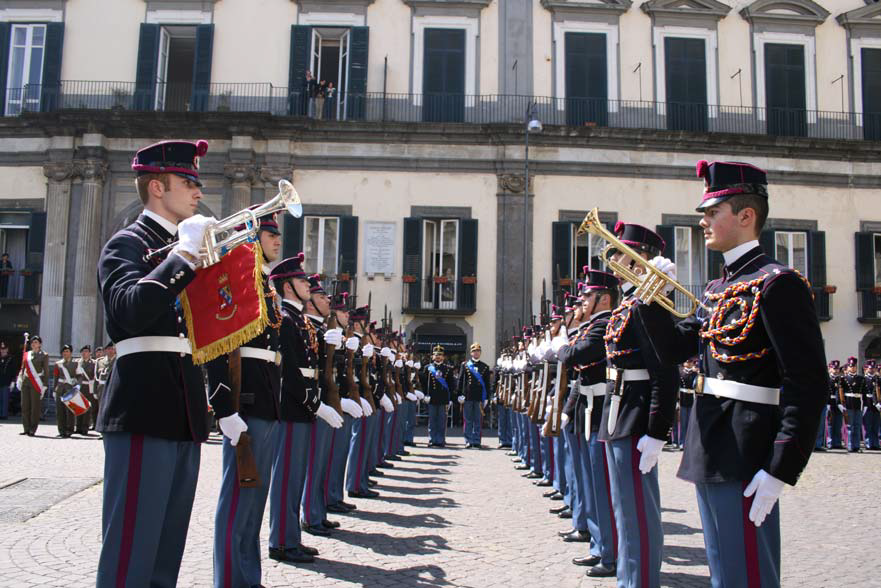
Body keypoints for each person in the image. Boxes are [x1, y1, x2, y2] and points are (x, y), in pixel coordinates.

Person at [644, 159, 827, 588]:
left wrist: (782, 466)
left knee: (746, 572)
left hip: (748, 445)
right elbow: (673, 349)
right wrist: (650, 297)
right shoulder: (716, 289)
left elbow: (808, 381)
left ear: (746, 216)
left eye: (713, 212)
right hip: (709, 438)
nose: (703, 221)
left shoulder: (777, 283)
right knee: (725, 568)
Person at [95, 139, 215, 588]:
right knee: (132, 548)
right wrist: (182, 258)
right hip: (143, 405)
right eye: (189, 182)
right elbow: (127, 308)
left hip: (184, 409)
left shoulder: (187, 247)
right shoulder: (127, 242)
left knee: (167, 548)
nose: (197, 192)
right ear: (158, 187)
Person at [206, 212, 284, 588]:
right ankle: (229, 579)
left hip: (266, 401)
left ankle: (246, 576)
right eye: (269, 234)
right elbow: (221, 344)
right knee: (238, 500)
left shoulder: (264, 284)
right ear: (251, 240)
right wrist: (224, 407)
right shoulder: (238, 281)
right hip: (246, 402)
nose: (277, 240)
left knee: (254, 502)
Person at [598, 221, 677, 588]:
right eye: (615, 252)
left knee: (638, 513)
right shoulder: (631, 302)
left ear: (643, 257)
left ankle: (640, 581)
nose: (615, 258)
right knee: (622, 508)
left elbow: (665, 372)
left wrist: (657, 429)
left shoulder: (650, 303)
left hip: (637, 412)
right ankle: (629, 579)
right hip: (619, 409)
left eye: (622, 251)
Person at [268, 254, 342, 564]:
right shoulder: (285, 319)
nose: (308, 287)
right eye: (301, 282)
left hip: (302, 405)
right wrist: (315, 404)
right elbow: (291, 373)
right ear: (287, 287)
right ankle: (281, 541)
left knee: (295, 476)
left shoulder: (297, 320)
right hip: (291, 406)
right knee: (286, 477)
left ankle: (290, 537)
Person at [556, 270, 620, 578]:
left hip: (599, 411)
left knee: (600, 487)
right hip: (585, 409)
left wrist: (566, 346)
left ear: (603, 299)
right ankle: (599, 544)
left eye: (587, 296)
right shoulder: (591, 326)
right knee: (589, 482)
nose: (581, 301)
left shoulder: (603, 326)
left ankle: (608, 550)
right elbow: (572, 355)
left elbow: (575, 354)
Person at [457, 342, 490, 448]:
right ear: (471, 353)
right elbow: (461, 380)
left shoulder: (485, 367)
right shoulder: (465, 365)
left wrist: (487, 398)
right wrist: (459, 394)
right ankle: (468, 440)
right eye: (474, 351)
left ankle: (476, 440)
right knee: (468, 419)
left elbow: (487, 383)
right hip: (467, 395)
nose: (476, 353)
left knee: (477, 419)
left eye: (478, 351)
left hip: (479, 396)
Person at [421, 345, 454, 447]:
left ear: (443, 357)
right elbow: (423, 383)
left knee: (441, 420)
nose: (438, 357)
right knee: (432, 420)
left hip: (443, 398)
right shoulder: (427, 368)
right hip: (431, 397)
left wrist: (451, 399)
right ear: (432, 356)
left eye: (440, 355)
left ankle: (440, 440)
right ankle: (432, 439)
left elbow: (451, 385)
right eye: (436, 355)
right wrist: (424, 394)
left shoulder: (448, 369)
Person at [18, 334, 49, 436]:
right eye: (32, 342)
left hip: (37, 382)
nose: (34, 344)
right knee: (25, 406)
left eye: (36, 342)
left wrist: (45, 385)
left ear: (40, 344)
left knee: (35, 407)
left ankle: (32, 428)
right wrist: (20, 378)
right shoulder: (27, 354)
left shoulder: (44, 355)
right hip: (26, 382)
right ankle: (26, 428)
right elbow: (23, 368)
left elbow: (46, 371)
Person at [53, 344, 77, 438]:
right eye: (64, 351)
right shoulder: (58, 364)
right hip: (60, 388)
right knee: (60, 410)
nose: (65, 353)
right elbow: (56, 377)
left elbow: (79, 376)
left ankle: (69, 430)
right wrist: (54, 389)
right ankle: (61, 430)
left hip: (70, 388)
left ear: (71, 353)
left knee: (70, 410)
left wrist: (77, 384)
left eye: (67, 351)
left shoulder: (75, 363)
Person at [841, 356, 864, 453]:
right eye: (851, 366)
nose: (852, 368)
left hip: (857, 404)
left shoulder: (860, 378)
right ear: (848, 367)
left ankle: (856, 446)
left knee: (857, 425)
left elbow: (864, 392)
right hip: (849, 403)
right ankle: (850, 445)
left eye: (854, 366)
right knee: (850, 426)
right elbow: (840, 392)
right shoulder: (843, 379)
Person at [74, 345, 96, 435]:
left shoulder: (94, 363)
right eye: (83, 351)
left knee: (87, 408)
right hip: (80, 387)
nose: (84, 353)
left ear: (90, 353)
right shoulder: (77, 362)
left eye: (86, 351)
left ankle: (85, 427)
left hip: (89, 387)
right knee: (79, 407)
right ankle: (78, 427)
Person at [94, 341, 116, 431]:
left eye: (112, 349)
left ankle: (111, 428)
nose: (110, 351)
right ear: (105, 350)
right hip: (101, 387)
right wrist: (94, 390)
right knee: (101, 408)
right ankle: (102, 429)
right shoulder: (100, 361)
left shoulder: (118, 359)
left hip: (112, 387)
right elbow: (95, 376)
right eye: (108, 349)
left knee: (112, 407)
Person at [862, 360, 881, 450]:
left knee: (876, 425)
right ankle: (868, 443)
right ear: (867, 368)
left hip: (877, 405)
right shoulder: (863, 379)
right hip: (867, 403)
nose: (872, 370)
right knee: (868, 426)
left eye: (873, 368)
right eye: (870, 368)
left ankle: (875, 444)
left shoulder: (878, 379)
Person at [827, 360, 845, 449]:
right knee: (830, 424)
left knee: (838, 423)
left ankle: (837, 442)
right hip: (830, 402)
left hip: (838, 404)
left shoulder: (840, 380)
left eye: (837, 369)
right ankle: (830, 442)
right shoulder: (827, 379)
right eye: (834, 368)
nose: (835, 370)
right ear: (829, 368)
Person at [0, 340, 16, 419]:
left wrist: (13, 381)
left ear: (7, 350)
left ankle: (4, 414)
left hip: (7, 382)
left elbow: (13, 370)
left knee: (5, 399)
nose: (3, 350)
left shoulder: (10, 359)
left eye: (4, 349)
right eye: (1, 349)